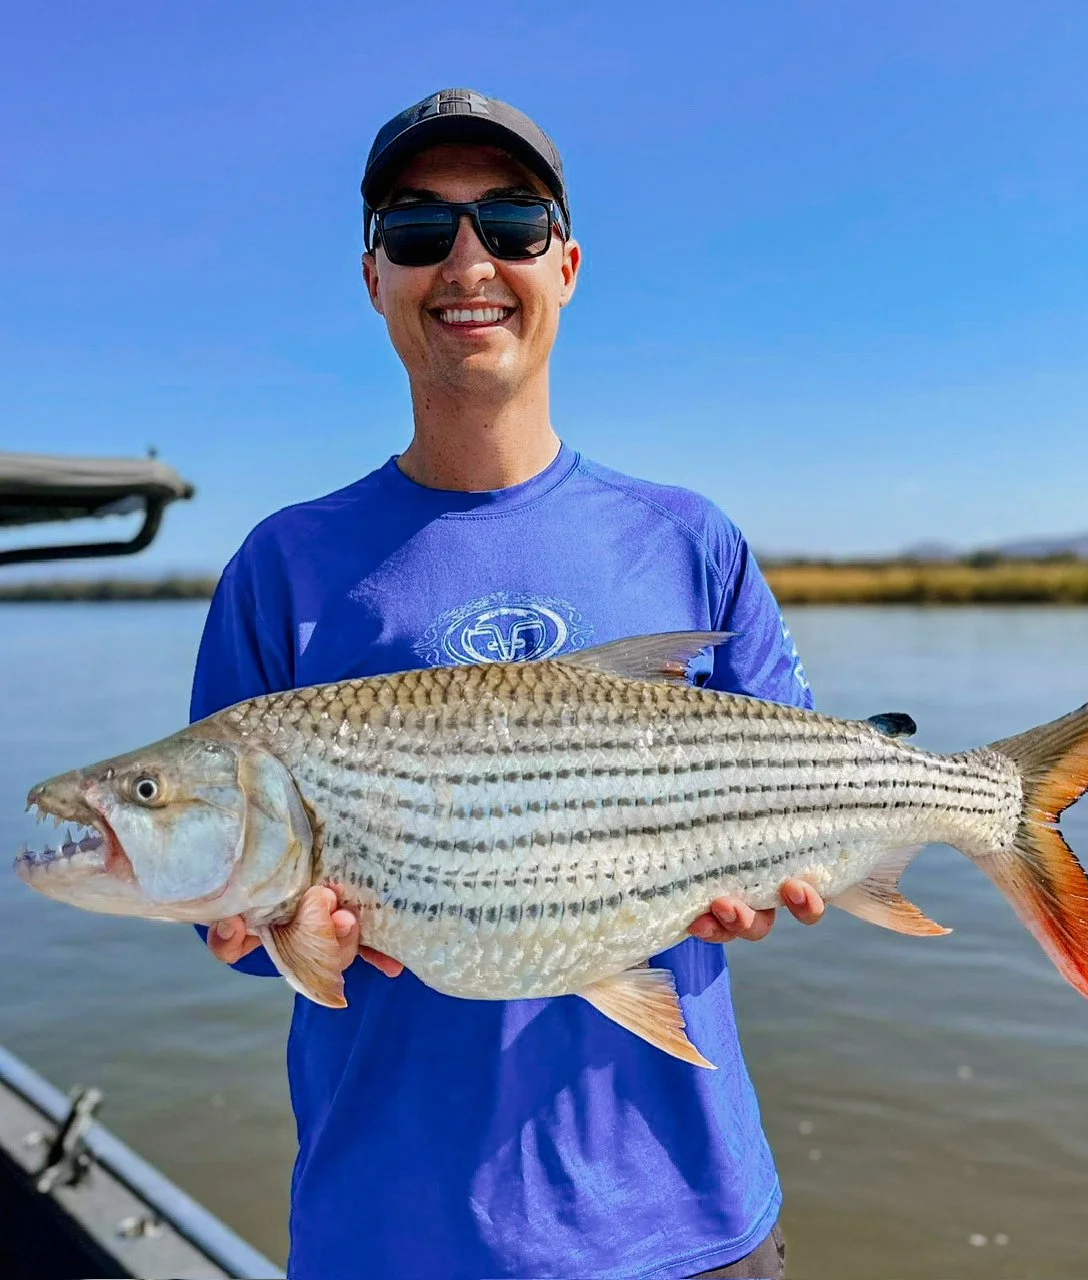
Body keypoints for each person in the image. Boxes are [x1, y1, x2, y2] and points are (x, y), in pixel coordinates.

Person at [193, 87, 825, 1280]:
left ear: (567, 263)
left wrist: (782, 874)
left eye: (513, 222)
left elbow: (795, 806)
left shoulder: (690, 539)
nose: (468, 261)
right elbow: (229, 910)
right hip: (386, 1236)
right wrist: (270, 929)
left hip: (687, 1225)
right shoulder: (282, 565)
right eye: (421, 231)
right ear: (374, 275)